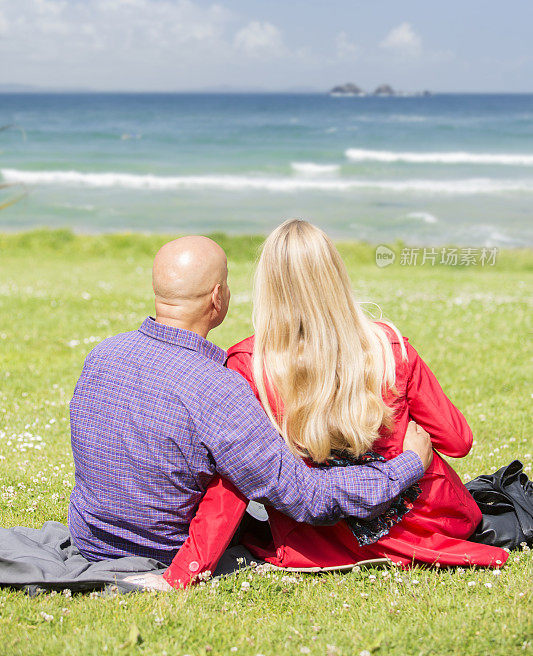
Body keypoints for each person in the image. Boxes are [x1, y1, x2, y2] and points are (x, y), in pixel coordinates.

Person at [68, 234, 431, 592]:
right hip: (167, 552)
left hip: (90, 540)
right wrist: (407, 465)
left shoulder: (103, 353)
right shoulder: (217, 387)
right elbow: (307, 498)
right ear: (218, 296)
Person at [167, 221, 508, 587]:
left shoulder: (247, 364)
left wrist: (187, 569)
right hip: (426, 528)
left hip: (314, 545)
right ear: (335, 277)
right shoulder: (389, 348)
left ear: (268, 287)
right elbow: (459, 442)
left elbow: (235, 478)